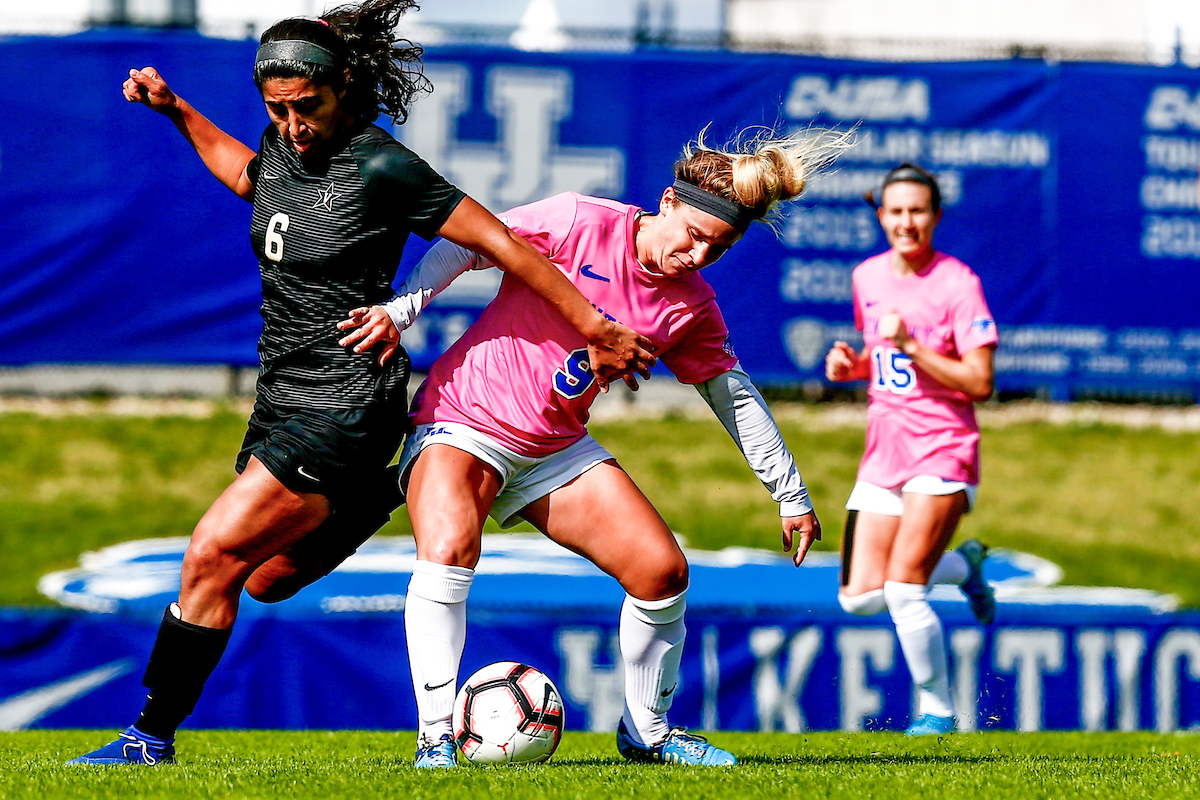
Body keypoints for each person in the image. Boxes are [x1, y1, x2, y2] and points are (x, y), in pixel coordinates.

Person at [69, 0, 654, 766]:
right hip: (281, 399)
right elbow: (249, 178)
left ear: (344, 85)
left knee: (209, 555)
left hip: (343, 401)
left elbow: (501, 243)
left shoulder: (383, 165)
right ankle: (377, 494)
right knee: (266, 581)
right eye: (276, 110)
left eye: (305, 106)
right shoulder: (284, 151)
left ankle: (148, 739)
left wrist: (594, 325)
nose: (292, 123)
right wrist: (177, 110)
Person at [337, 126, 850, 767]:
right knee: (448, 551)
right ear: (667, 200)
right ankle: (437, 737)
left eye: (715, 250)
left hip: (553, 448)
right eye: (692, 235)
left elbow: (734, 397)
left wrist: (790, 492)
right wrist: (403, 308)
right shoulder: (580, 220)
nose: (696, 256)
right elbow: (467, 243)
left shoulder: (690, 306)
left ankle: (648, 734)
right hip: (462, 419)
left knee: (661, 572)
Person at [823, 163, 998, 737]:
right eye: (895, 211)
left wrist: (912, 346)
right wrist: (854, 367)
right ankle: (963, 566)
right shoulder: (867, 276)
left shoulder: (958, 283)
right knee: (859, 598)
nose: (906, 222)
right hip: (884, 452)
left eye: (917, 211)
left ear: (936, 216)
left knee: (902, 589)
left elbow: (979, 381)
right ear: (881, 216)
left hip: (944, 448)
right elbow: (885, 360)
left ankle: (938, 712)